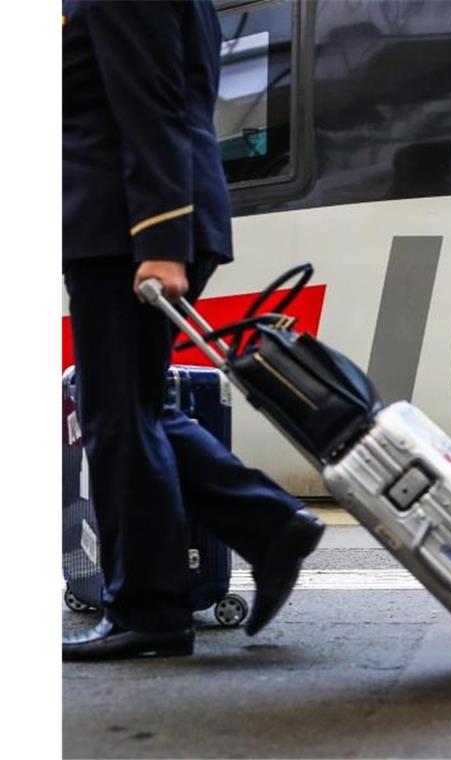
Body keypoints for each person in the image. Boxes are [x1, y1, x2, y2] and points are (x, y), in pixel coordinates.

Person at [62, 0, 325, 660]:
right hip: (124, 220)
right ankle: (269, 525)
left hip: (128, 228)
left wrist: (160, 240)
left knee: (119, 416)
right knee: (131, 408)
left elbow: (152, 102)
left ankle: (149, 610)